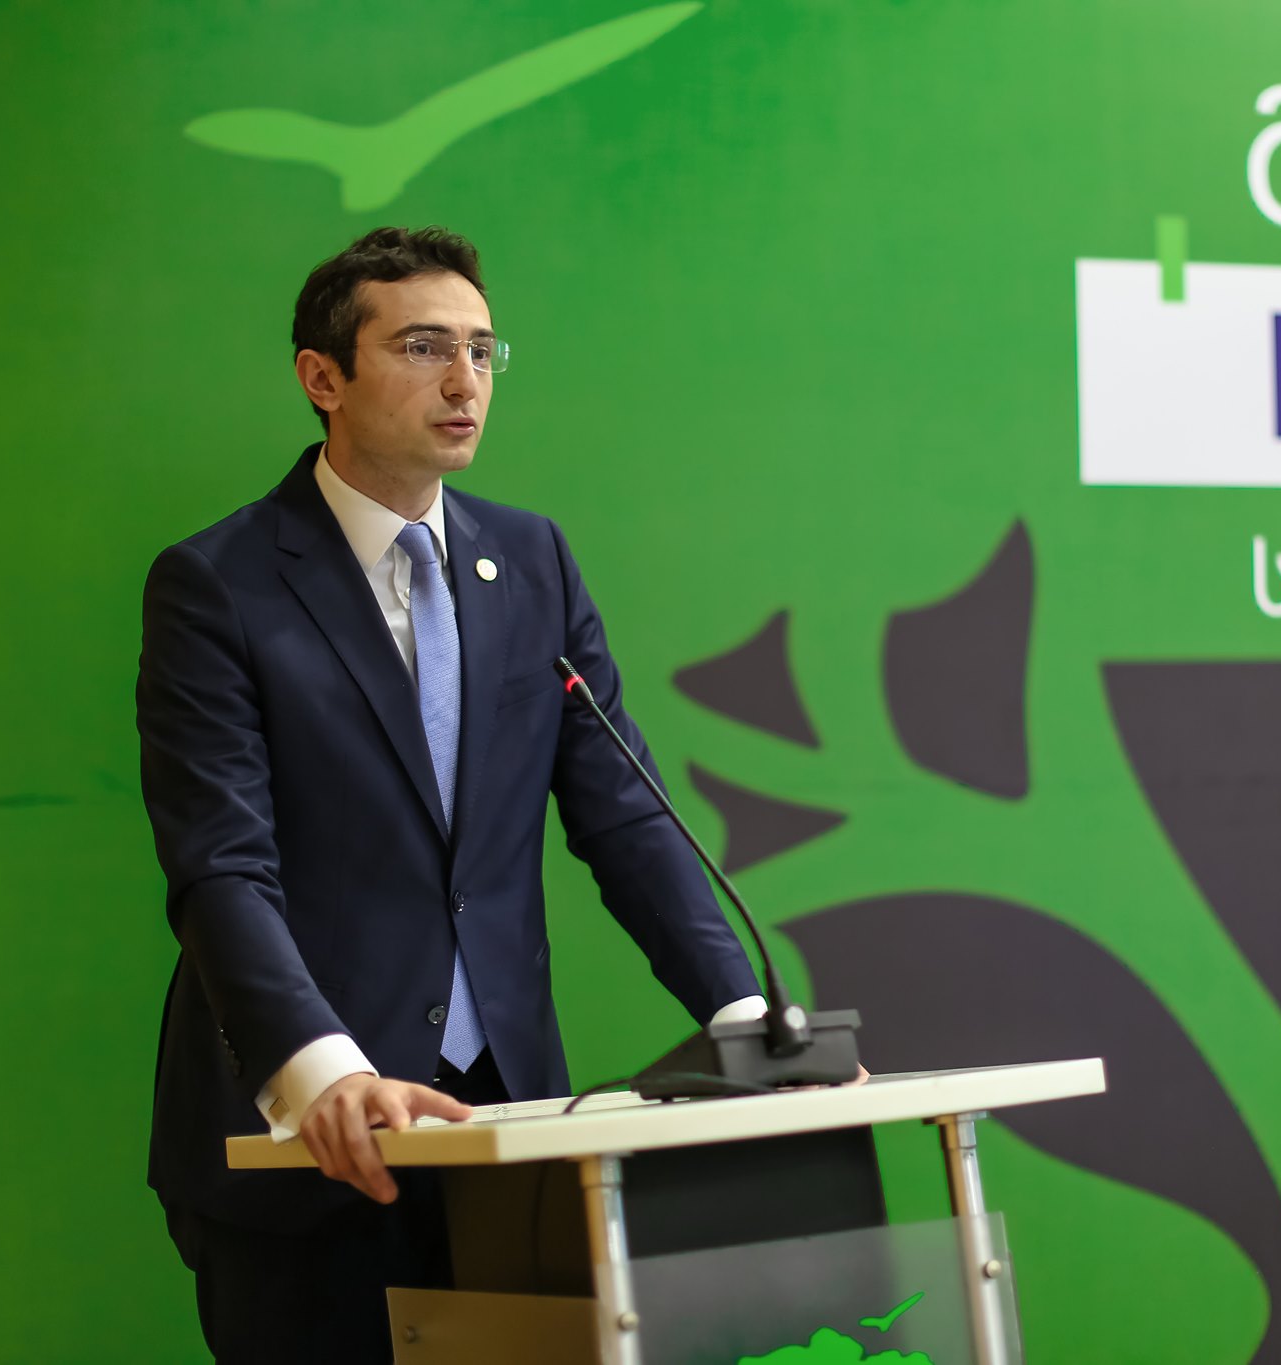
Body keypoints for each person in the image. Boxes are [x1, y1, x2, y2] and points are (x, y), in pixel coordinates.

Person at [136, 225, 766, 1363]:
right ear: (322, 377)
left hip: (506, 1131)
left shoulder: (532, 564)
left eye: (481, 350)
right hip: (312, 1144)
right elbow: (221, 863)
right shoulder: (217, 585)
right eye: (423, 347)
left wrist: (745, 1018)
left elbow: (624, 815)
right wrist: (322, 1073)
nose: (465, 380)